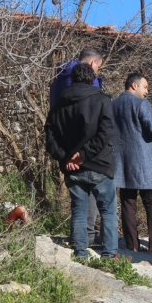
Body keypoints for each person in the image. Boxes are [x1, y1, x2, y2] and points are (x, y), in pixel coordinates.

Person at [45, 63, 118, 259]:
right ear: (93, 79)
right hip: (100, 164)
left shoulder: (59, 102)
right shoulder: (102, 100)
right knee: (108, 210)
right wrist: (84, 155)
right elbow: (106, 133)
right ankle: (110, 255)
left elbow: (50, 135)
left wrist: (66, 157)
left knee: (79, 209)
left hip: (72, 167)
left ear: (73, 78)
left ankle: (80, 253)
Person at [112, 73, 152, 252]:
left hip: (122, 164)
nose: (147, 92)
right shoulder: (141, 104)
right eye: (145, 87)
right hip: (145, 163)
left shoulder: (112, 105)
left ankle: (133, 246)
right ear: (133, 85)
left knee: (127, 204)